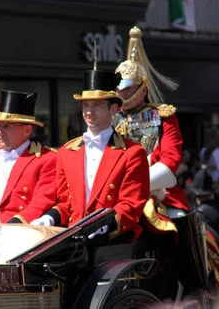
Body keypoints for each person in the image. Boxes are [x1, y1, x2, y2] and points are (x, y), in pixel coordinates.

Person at [33, 69, 150, 242]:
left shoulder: (132, 153)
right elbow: (66, 203)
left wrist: (102, 227)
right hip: (74, 239)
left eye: (97, 105)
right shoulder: (66, 152)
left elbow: (130, 205)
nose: (89, 111)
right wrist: (49, 217)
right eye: (86, 105)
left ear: (114, 109)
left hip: (113, 240)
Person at [113, 26, 190, 234]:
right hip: (115, 191)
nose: (122, 93)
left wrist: (136, 186)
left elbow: (170, 159)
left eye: (128, 88)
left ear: (142, 89)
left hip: (158, 191)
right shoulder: (110, 117)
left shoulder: (163, 115)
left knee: (178, 222)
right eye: (119, 88)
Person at [0, 90, 57, 224]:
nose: (0, 132)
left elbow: (42, 200)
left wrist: (16, 223)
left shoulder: (46, 159)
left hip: (24, 232)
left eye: (7, 126)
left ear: (27, 130)